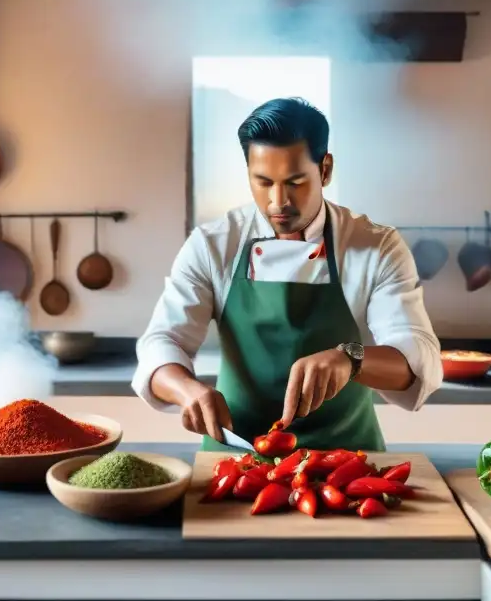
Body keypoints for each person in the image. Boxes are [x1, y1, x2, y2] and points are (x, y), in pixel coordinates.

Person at [132, 97, 442, 452]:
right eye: (262, 182)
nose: (278, 201)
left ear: (324, 170)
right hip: (237, 456)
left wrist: (351, 358)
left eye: (295, 182)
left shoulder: (376, 246)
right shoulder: (212, 244)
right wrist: (187, 389)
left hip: (347, 460)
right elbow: (161, 342)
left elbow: (418, 356)